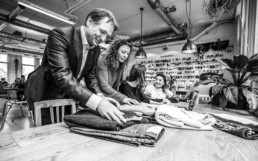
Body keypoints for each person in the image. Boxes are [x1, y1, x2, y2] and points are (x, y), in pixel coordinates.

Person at [25, 8, 126, 125]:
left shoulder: (96, 49)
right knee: (48, 134)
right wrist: (97, 103)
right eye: (102, 32)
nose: (103, 39)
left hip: (69, 95)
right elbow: (63, 76)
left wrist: (100, 97)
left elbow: (91, 77)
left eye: (107, 36)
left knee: (67, 128)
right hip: (45, 94)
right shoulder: (60, 35)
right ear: (89, 22)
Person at [94, 35, 139, 105]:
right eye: (123, 52)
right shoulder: (103, 59)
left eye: (128, 54)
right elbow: (104, 85)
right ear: (115, 50)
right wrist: (123, 98)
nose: (125, 56)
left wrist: (117, 99)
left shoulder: (120, 64)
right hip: (96, 96)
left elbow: (115, 86)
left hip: (107, 97)